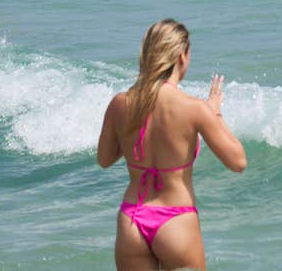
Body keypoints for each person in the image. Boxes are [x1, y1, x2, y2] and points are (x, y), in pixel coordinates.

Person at [97, 19, 246, 270]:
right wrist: (215, 113)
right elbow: (238, 162)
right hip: (176, 221)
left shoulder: (120, 103)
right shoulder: (194, 108)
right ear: (181, 56)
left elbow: (104, 159)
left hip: (131, 220)